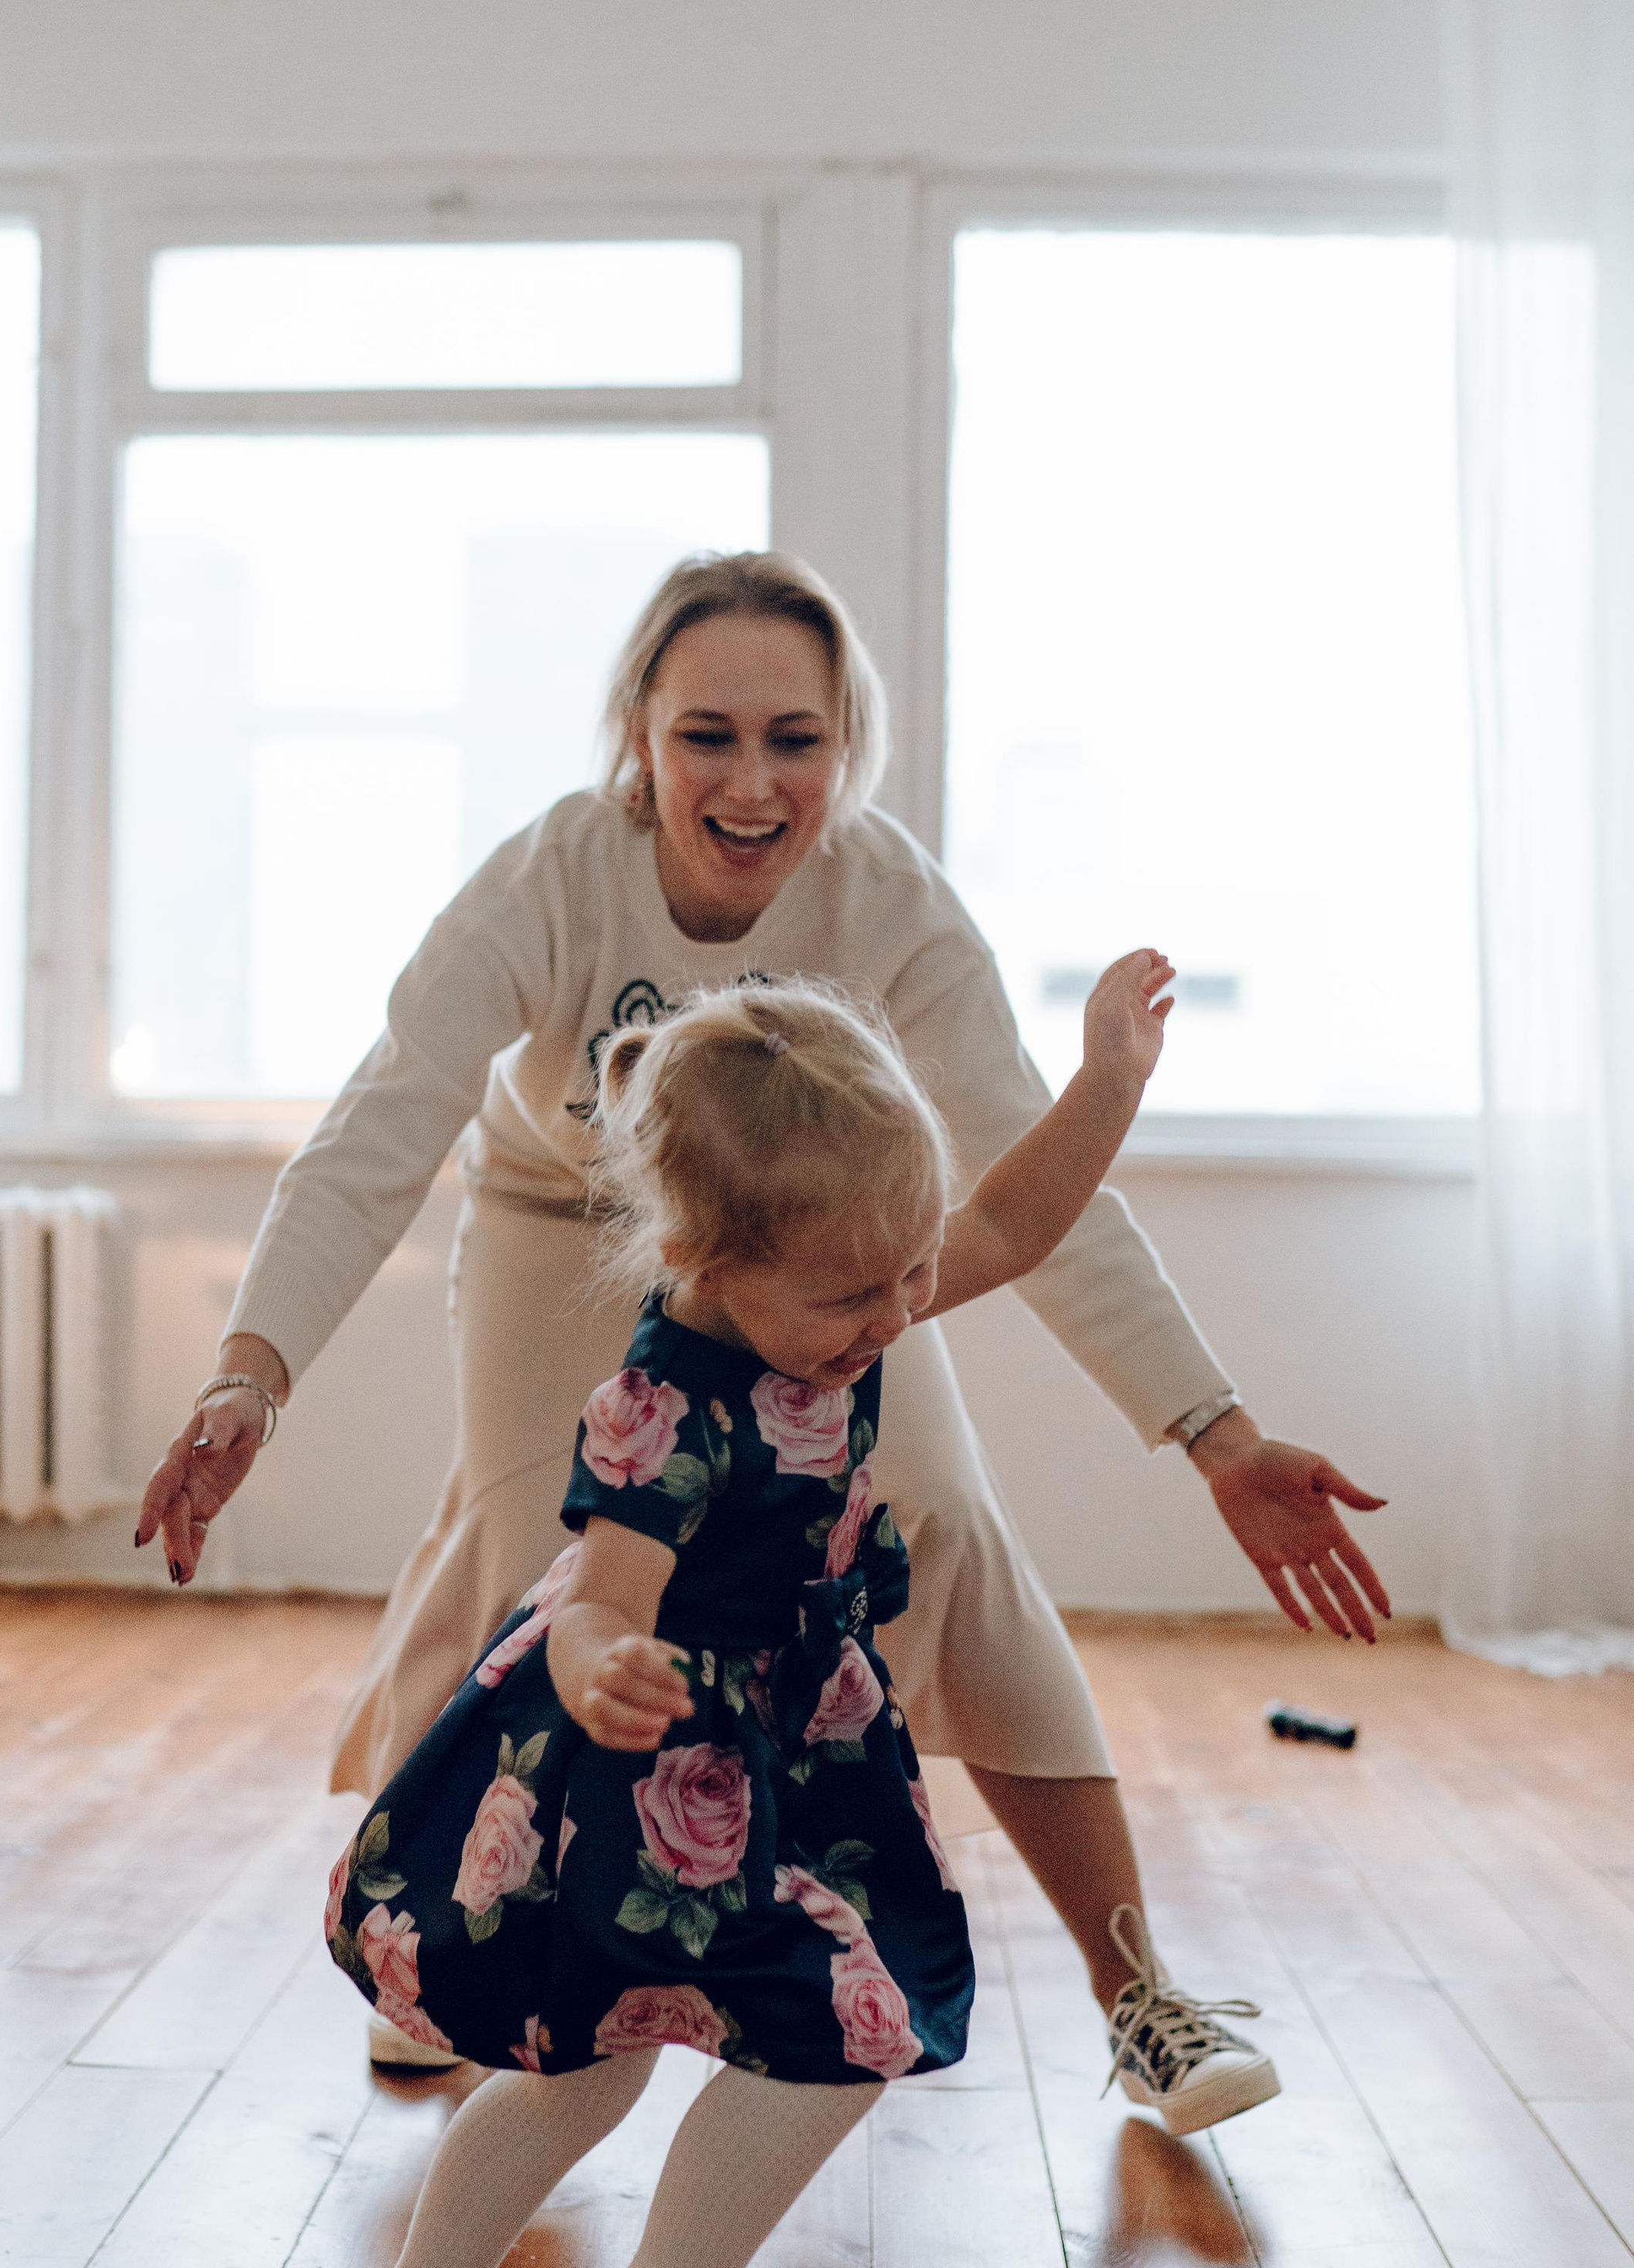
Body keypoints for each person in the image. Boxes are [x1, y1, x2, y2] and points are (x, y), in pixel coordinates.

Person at [136, 550, 1391, 2130]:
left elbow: (1027, 1191)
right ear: (639, 738)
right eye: (706, 736)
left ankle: (1136, 1993)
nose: (749, 783)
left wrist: (1218, 1434)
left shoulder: (889, 902)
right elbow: (376, 1128)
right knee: (548, 1551)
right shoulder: (551, 877)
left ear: (844, 748)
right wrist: (249, 1373)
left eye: (793, 740)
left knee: (940, 1519)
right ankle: (442, 1953)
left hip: (817, 1254)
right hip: (563, 1219)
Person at [332, 960, 1177, 2268]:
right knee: (847, 2023)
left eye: (906, 1275)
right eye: (856, 1295)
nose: (894, 1315)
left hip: (790, 1729)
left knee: (592, 2058)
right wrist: (601, 1662)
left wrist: (1107, 1078)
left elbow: (1008, 1225)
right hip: (656, 1750)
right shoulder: (666, 1405)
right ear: (701, 1258)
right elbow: (595, 1594)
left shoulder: (842, 1280)